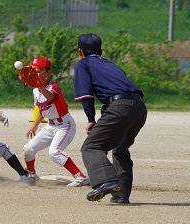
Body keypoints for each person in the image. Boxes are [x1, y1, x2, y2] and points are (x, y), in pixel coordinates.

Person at [74, 34, 147, 203]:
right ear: (101, 51)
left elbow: (85, 95)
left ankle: (106, 181)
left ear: (80, 52)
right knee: (120, 150)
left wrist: (91, 119)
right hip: (139, 108)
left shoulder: (83, 64)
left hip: (120, 107)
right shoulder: (110, 64)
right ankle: (120, 195)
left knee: (92, 147)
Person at [23, 56, 90, 187]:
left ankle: (81, 177)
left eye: (39, 70)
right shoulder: (36, 90)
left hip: (65, 125)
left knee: (54, 152)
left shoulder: (53, 87)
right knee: (28, 149)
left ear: (48, 72)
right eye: (33, 70)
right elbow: (43, 108)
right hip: (50, 126)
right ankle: (31, 175)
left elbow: (51, 97)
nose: (35, 73)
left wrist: (40, 86)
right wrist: (35, 124)